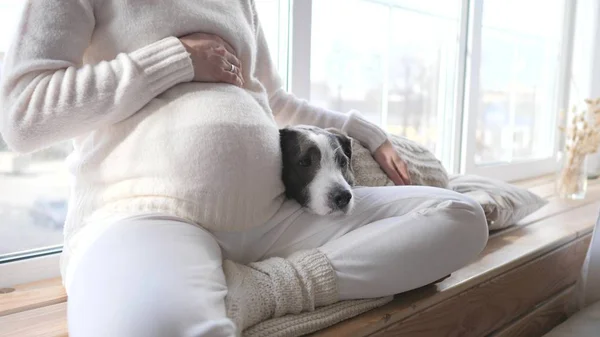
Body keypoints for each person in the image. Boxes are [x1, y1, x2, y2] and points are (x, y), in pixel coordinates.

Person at [0, 1, 488, 336]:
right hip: (147, 214)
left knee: (460, 218)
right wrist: (178, 59)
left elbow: (273, 100)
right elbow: (21, 115)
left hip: (273, 217)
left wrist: (366, 132)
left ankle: (257, 291)